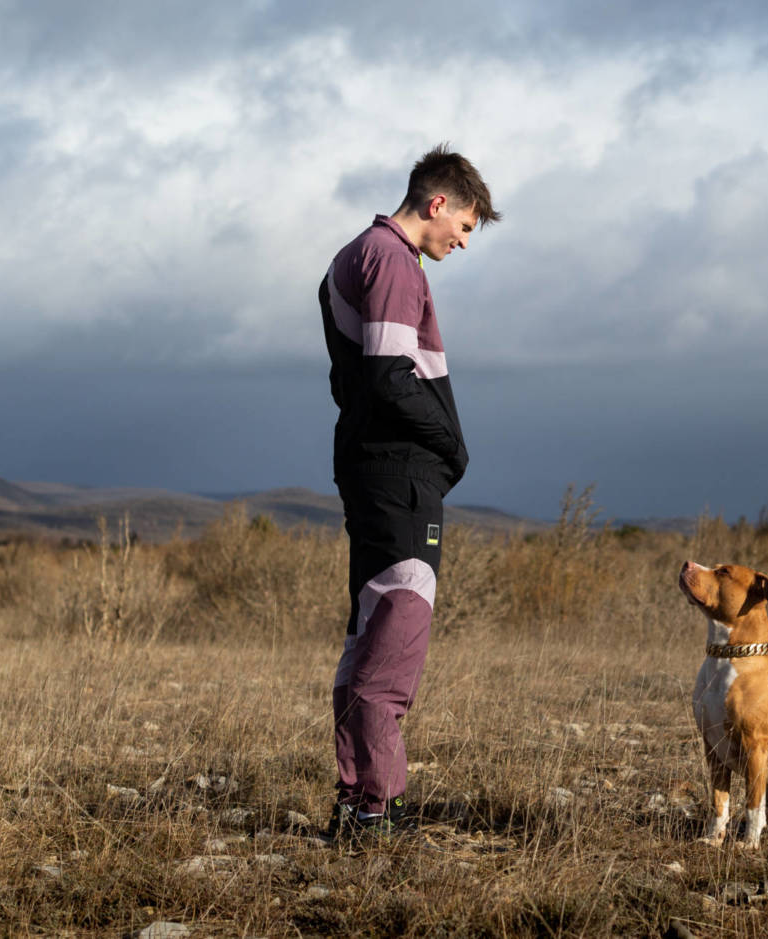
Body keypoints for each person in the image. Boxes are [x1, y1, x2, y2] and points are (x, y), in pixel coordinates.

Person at [317, 144, 500, 841]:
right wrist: (453, 446)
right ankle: (376, 808)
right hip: (399, 477)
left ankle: (355, 798)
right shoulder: (391, 259)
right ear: (438, 203)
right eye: (465, 227)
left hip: (375, 470)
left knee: (369, 631)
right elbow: (392, 376)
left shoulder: (352, 257)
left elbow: (353, 383)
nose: (461, 242)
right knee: (395, 632)